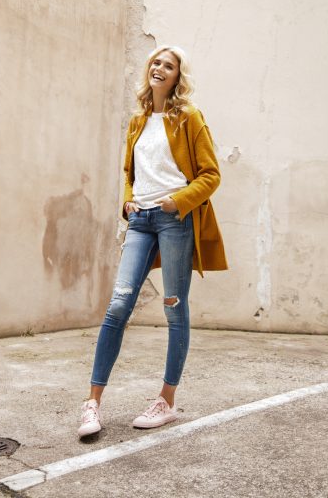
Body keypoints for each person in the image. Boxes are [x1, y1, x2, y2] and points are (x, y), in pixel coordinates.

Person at [78, 45, 228, 437]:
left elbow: (210, 175)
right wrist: (127, 201)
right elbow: (130, 171)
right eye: (156, 62)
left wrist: (176, 202)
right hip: (140, 221)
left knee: (174, 309)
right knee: (118, 305)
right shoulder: (137, 120)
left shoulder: (188, 117)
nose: (160, 68)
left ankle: (167, 401)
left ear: (178, 76)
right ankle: (92, 403)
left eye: (169, 65)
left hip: (174, 220)